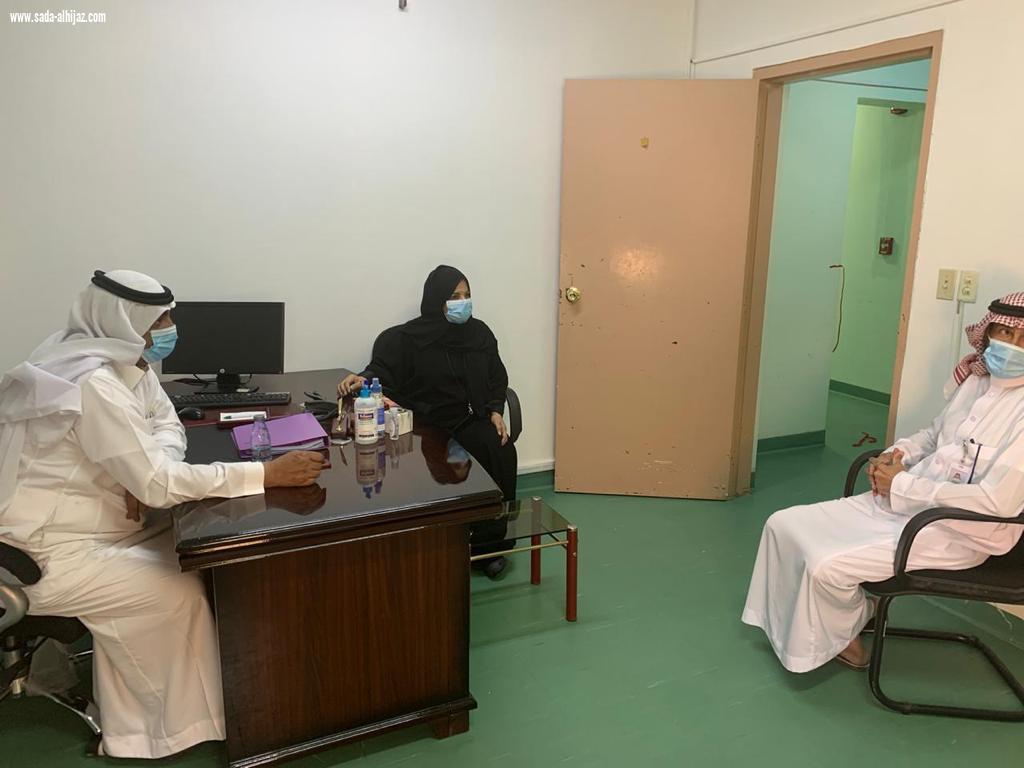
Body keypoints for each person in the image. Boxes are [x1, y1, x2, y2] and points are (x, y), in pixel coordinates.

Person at [0, 270, 325, 758]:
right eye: (160, 321)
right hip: (43, 552)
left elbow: (167, 424)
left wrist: (147, 470)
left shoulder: (125, 363)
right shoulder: (90, 381)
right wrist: (264, 474)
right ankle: (156, 733)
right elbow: (160, 483)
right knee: (178, 593)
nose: (171, 330)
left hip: (95, 523)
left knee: (203, 542)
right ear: (123, 320)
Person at [742, 292, 1024, 672]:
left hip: (958, 532)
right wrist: (896, 455)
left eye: (1023, 338)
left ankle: (845, 632)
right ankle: (837, 621)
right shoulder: (976, 380)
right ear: (987, 333)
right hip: (904, 504)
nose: (1012, 346)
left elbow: (996, 503)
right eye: (1005, 332)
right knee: (782, 524)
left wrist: (901, 485)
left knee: (826, 566)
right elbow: (934, 435)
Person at [338, 265, 515, 577]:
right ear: (436, 300)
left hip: (469, 419)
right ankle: (439, 545)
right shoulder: (408, 339)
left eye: (467, 295)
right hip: (427, 424)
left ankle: (489, 546)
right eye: (454, 296)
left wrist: (495, 410)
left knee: (498, 448)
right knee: (431, 462)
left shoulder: (480, 334)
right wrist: (362, 378)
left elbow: (497, 378)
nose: (462, 302)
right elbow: (381, 371)